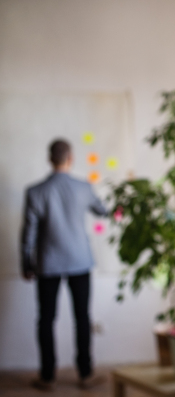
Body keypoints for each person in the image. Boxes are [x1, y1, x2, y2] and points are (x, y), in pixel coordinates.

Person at [21, 139, 108, 391]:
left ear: (50, 159)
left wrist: (26, 262)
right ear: (71, 159)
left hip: (47, 264)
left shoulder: (35, 191)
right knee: (82, 318)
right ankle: (86, 374)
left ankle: (47, 377)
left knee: (46, 319)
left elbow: (28, 233)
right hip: (80, 262)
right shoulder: (84, 187)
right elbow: (103, 211)